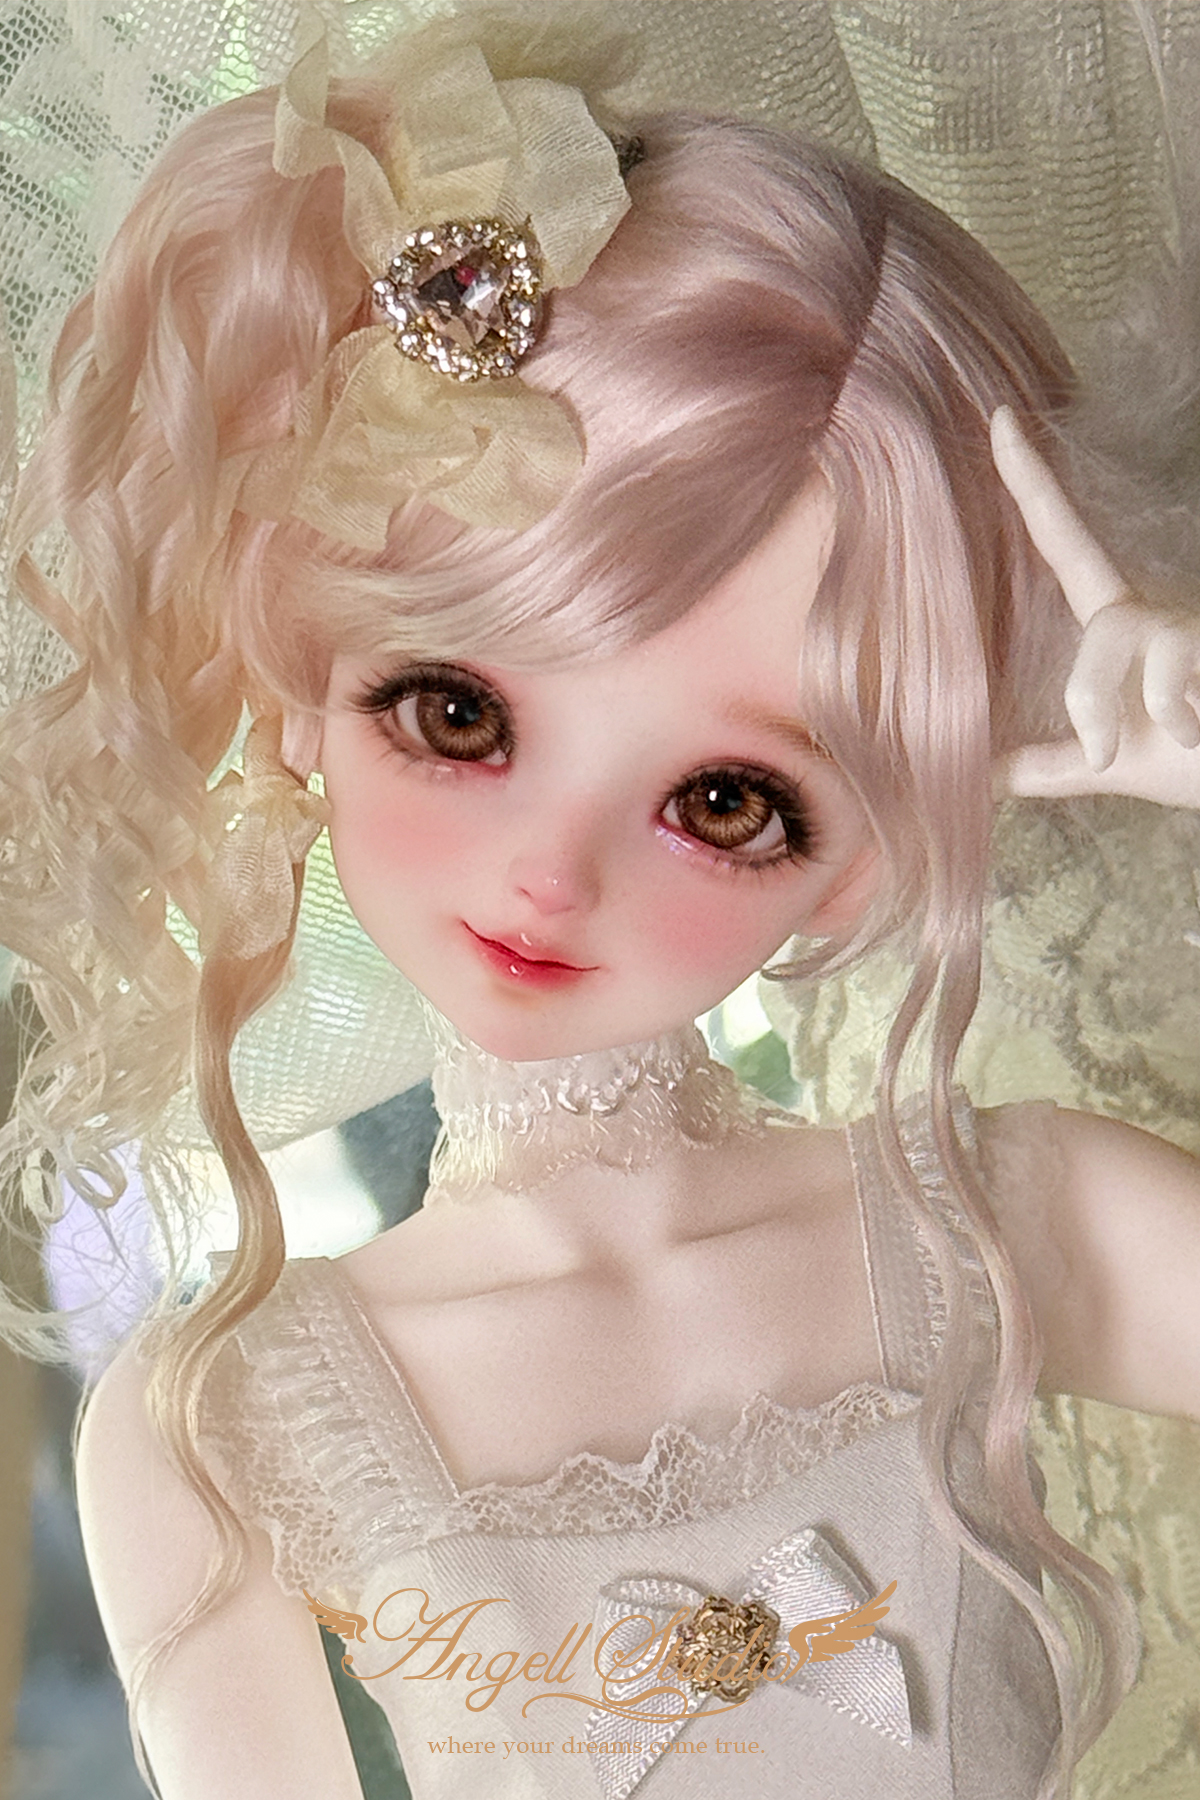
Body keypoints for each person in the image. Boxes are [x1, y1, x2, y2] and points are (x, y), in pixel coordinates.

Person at [3, 5, 1200, 1797]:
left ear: (875, 848)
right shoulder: (226, 1424)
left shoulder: (1009, 1226)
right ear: (300, 679)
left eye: (727, 804)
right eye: (456, 715)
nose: (551, 874)